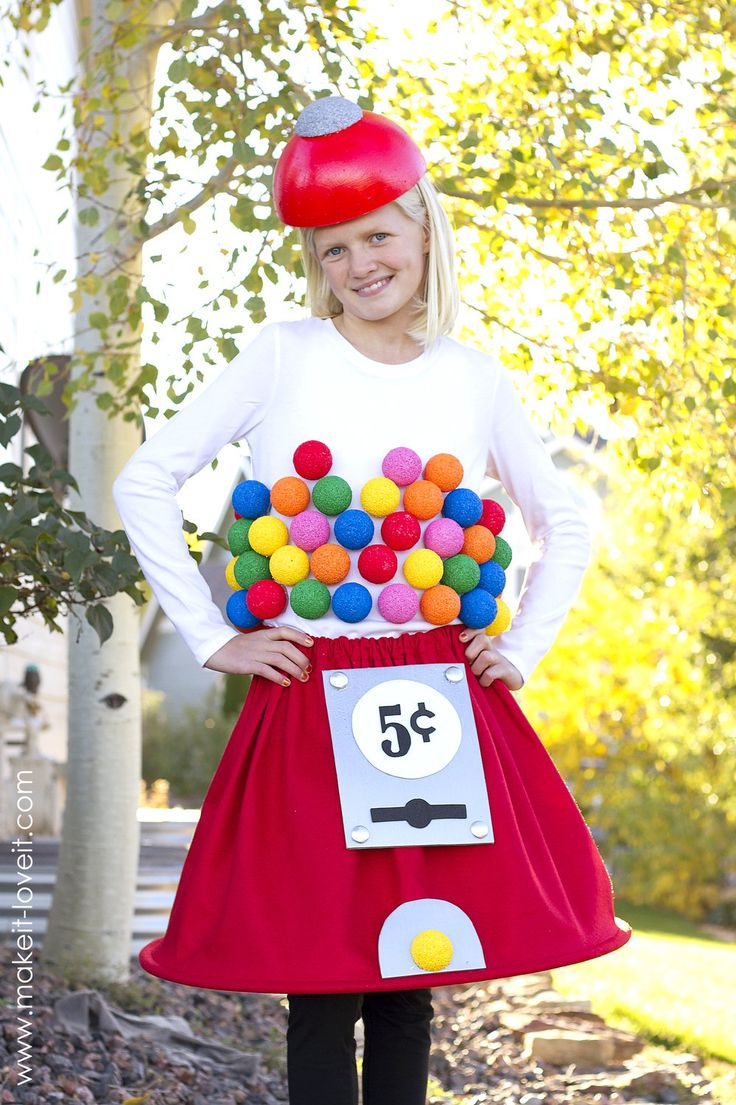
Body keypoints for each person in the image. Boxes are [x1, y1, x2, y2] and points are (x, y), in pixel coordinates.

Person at [111, 95, 631, 1105]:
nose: (358, 264)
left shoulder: (473, 380)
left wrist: (521, 646)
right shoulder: (281, 355)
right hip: (312, 696)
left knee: (414, 972)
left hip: (437, 698)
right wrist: (215, 635)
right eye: (333, 248)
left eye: (377, 235)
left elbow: (564, 520)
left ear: (424, 231)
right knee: (324, 972)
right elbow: (146, 478)